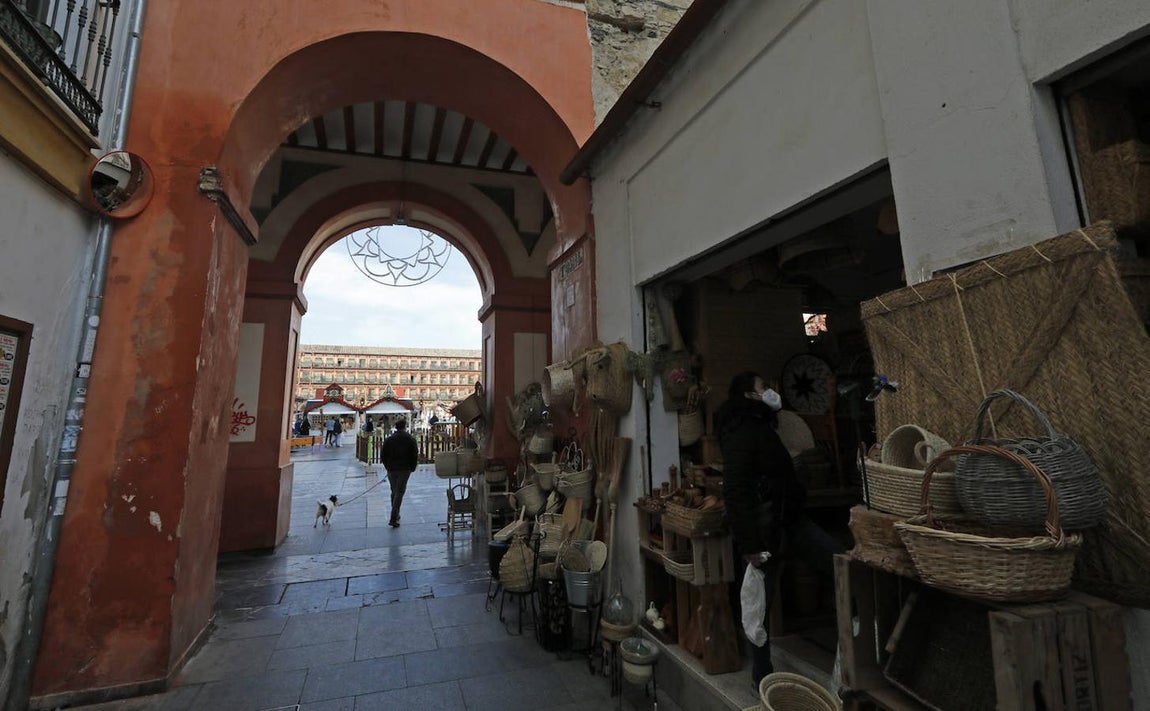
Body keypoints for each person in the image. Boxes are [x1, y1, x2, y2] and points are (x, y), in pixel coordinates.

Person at [715, 371, 844, 687]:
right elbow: (735, 490)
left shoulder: (759, 425)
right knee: (760, 602)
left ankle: (852, 660)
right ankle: (762, 678)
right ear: (749, 395)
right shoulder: (742, 430)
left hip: (788, 519)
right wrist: (750, 545)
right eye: (764, 387)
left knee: (842, 566)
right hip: (764, 529)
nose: (771, 391)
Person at [380, 418, 419, 527]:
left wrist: (387, 466)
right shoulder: (410, 439)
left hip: (392, 469)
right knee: (399, 492)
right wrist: (412, 467)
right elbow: (414, 454)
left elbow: (383, 455)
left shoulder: (389, 439)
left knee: (394, 491)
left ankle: (396, 514)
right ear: (405, 427)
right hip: (404, 469)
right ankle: (393, 516)